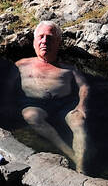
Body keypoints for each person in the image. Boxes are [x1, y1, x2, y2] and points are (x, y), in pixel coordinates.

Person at [13, 21, 90, 172]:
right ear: (34, 42)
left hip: (65, 104)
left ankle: (80, 166)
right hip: (34, 104)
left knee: (79, 122)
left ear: (58, 42)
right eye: (41, 37)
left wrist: (81, 105)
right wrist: (7, 106)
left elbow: (84, 86)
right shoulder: (22, 64)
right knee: (30, 115)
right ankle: (68, 153)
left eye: (49, 37)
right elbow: (8, 87)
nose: (44, 41)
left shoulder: (68, 67)